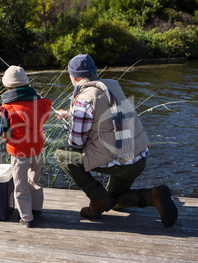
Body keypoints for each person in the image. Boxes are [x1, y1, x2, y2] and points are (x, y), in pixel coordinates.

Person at [53, 54, 178, 228]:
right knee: (114, 202)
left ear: (72, 77)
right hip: (138, 159)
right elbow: (104, 112)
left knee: (62, 155)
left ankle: (98, 199)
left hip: (120, 161)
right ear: (95, 73)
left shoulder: (83, 100)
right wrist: (70, 114)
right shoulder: (112, 85)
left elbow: (76, 143)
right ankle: (153, 195)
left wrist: (73, 123)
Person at [0, 65, 52, 228]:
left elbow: (4, 134)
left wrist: (5, 136)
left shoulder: (7, 108)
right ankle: (36, 209)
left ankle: (26, 217)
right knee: (34, 179)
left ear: (8, 87)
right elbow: (43, 121)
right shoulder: (40, 102)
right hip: (36, 148)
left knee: (20, 185)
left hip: (19, 152)